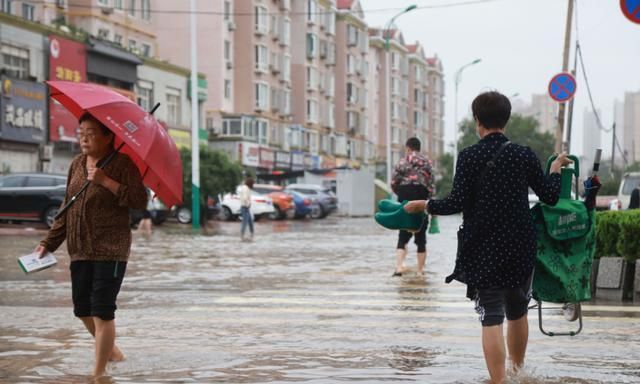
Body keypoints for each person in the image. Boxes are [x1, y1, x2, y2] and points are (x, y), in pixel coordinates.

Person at [404, 91, 571, 384]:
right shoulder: (524, 154)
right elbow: (551, 196)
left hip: (483, 246)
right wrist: (555, 170)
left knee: (491, 314)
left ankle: (498, 381)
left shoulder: (469, 156)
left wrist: (424, 205)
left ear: (477, 121)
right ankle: (518, 373)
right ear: (506, 120)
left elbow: (455, 203)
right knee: (518, 310)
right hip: (521, 243)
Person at [35, 113, 148, 378]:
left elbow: (139, 200)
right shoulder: (76, 164)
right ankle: (113, 352)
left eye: (91, 132)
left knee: (102, 310)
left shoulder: (122, 164)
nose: (84, 137)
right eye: (81, 131)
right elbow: (67, 208)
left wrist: (106, 181)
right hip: (80, 249)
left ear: (108, 137)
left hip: (111, 249)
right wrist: (47, 244)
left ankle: (98, 375)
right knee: (82, 309)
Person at [390, 137, 434, 277]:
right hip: (421, 196)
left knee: (402, 234)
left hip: (405, 196)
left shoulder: (403, 161)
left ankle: (398, 269)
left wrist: (400, 195)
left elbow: (394, 181)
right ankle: (420, 272)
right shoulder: (427, 162)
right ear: (419, 148)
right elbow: (431, 185)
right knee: (421, 236)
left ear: (408, 148)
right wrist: (430, 201)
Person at [239, 176, 255, 241]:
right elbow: (245, 198)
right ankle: (242, 236)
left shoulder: (245, 188)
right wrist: (248, 204)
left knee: (250, 222)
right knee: (245, 223)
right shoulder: (245, 188)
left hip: (246, 208)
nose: (253, 185)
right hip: (245, 207)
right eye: (253, 184)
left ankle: (252, 235)